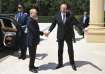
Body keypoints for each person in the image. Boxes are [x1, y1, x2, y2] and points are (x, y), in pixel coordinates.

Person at [45, 3, 82, 71]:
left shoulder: (70, 15)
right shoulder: (57, 15)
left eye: (65, 8)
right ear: (60, 8)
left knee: (70, 50)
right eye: (62, 8)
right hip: (60, 36)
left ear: (67, 9)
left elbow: (77, 23)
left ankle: (72, 63)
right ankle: (60, 63)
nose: (64, 9)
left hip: (68, 35)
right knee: (60, 50)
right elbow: (53, 24)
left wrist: (83, 29)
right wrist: (49, 31)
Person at [27, 8, 44, 73]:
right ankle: (30, 68)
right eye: (35, 13)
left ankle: (32, 65)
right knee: (32, 55)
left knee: (33, 55)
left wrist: (35, 20)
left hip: (34, 41)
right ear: (31, 13)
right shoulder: (29, 20)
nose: (36, 14)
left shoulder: (33, 19)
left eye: (36, 13)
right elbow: (34, 31)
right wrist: (42, 33)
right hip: (31, 41)